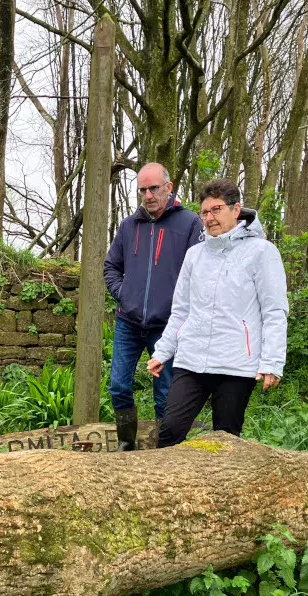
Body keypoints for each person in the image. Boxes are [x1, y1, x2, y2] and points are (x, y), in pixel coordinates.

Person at [146, 178, 288, 447]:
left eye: (217, 210)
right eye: (205, 212)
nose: (209, 218)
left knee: (226, 439)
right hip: (192, 359)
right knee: (170, 431)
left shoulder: (262, 252)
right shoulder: (195, 255)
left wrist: (271, 361)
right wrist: (163, 352)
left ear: (236, 210)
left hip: (236, 364)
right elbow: (181, 311)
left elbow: (274, 311)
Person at [103, 162, 205, 450]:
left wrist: (181, 310)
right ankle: (126, 443)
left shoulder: (190, 224)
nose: (148, 195)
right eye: (142, 190)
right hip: (129, 321)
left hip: (167, 326)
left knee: (165, 394)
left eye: (153, 188)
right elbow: (111, 267)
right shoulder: (129, 226)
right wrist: (125, 294)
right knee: (119, 386)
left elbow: (200, 274)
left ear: (169, 187)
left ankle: (165, 449)